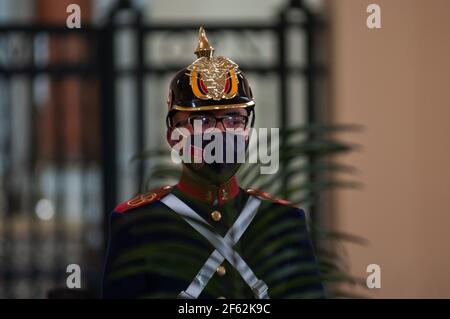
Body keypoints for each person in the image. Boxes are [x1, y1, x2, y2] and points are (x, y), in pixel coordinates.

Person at [102, 27, 326, 299]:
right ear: (174, 137)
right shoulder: (137, 223)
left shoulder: (283, 221)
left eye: (234, 120)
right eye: (203, 121)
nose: (221, 133)